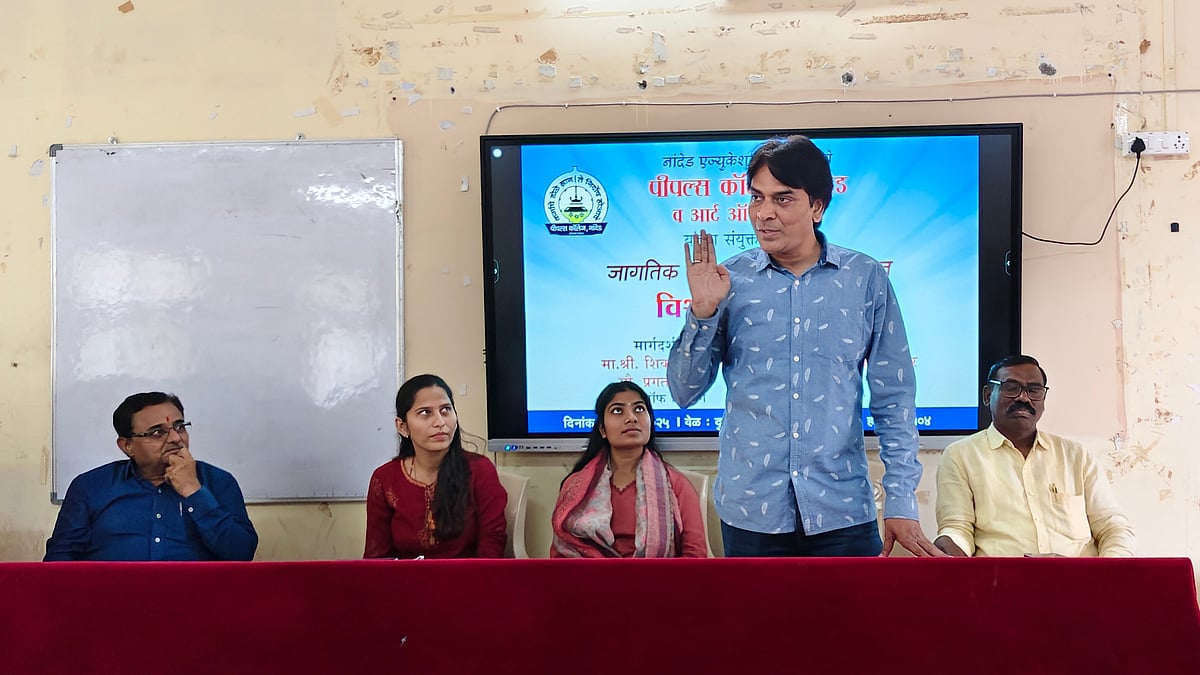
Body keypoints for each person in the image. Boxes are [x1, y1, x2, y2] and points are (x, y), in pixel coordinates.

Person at [667, 135, 941, 557]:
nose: (764, 213)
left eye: (783, 199)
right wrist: (702, 313)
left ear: (817, 206)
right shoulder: (729, 281)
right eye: (756, 198)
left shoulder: (864, 278)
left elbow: (895, 398)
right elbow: (683, 392)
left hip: (842, 511)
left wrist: (901, 499)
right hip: (751, 512)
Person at [934, 355, 1135, 557]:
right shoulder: (961, 455)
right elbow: (958, 528)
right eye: (1011, 388)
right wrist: (949, 543)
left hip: (1076, 575)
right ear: (987, 395)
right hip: (1002, 575)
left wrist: (1107, 571)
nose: (1023, 398)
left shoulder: (1077, 456)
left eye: (1034, 390)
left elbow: (1112, 527)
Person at [44, 392, 257, 561]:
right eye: (157, 432)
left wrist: (193, 491)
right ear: (127, 446)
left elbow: (241, 553)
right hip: (111, 599)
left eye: (180, 427)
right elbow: (59, 561)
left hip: (195, 599)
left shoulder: (218, 482)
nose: (176, 438)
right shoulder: (90, 487)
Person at [551, 381, 708, 558]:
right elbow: (560, 556)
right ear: (602, 429)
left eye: (639, 409)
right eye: (618, 411)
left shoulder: (675, 483)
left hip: (659, 575)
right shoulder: (576, 486)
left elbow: (694, 554)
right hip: (590, 575)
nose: (631, 418)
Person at [364, 374, 507, 558]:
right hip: (406, 576)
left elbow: (492, 544)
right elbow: (377, 556)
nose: (440, 422)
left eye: (446, 410)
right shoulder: (385, 479)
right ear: (402, 426)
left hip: (468, 575)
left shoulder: (479, 470)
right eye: (425, 412)